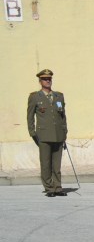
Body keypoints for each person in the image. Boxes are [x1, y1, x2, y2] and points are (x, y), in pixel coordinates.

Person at [26, 69, 68, 197]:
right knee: (45, 163)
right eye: (45, 79)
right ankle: (49, 188)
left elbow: (63, 116)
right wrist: (32, 132)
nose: (48, 81)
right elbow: (30, 116)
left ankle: (57, 187)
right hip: (43, 135)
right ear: (40, 81)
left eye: (49, 79)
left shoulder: (58, 96)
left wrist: (64, 131)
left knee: (57, 164)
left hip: (58, 134)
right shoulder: (35, 97)